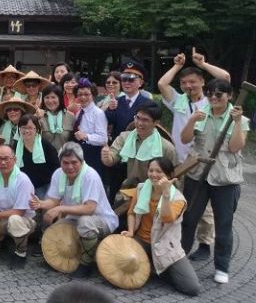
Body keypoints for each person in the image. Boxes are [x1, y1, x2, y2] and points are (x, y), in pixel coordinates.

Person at [158, 47, 228, 261]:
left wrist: (202, 65)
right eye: (184, 83)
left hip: (204, 160)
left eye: (193, 81)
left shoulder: (212, 100)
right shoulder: (179, 100)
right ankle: (180, 239)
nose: (189, 86)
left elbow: (225, 77)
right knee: (182, 200)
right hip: (181, 160)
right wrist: (177, 66)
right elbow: (162, 84)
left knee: (202, 204)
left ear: (202, 82)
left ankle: (205, 243)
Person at [180, 79, 248, 285]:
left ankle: (222, 267)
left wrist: (236, 123)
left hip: (225, 179)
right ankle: (179, 259)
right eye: (210, 93)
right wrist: (191, 121)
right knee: (189, 219)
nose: (213, 97)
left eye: (219, 94)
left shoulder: (240, 119)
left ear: (229, 95)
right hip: (197, 175)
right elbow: (184, 140)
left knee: (224, 224)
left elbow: (236, 147)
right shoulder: (200, 114)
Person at [30, 142, 119, 278]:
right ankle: (63, 259)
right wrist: (41, 204)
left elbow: (90, 208)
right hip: (74, 218)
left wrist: (60, 208)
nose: (70, 167)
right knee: (53, 232)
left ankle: (85, 264)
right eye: (65, 163)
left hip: (102, 219)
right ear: (60, 162)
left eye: (74, 162)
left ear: (81, 161)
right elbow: (53, 200)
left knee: (85, 223)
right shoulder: (58, 174)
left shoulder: (90, 175)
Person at [120, 157, 201, 296]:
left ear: (169, 175)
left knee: (192, 288)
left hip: (165, 247)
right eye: (151, 170)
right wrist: (131, 231)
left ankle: (157, 269)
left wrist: (166, 193)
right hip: (141, 241)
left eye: (159, 171)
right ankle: (153, 266)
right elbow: (132, 213)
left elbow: (167, 218)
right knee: (121, 262)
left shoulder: (178, 198)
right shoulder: (142, 188)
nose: (154, 174)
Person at [0, 145, 37, 269]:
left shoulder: (23, 180)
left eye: (6, 159)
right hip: (2, 217)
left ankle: (21, 253)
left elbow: (19, 212)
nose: (2, 162)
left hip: (24, 221)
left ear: (14, 160)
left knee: (14, 220)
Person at [102, 103, 177, 197]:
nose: (139, 123)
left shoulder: (167, 148)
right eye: (137, 118)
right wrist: (106, 157)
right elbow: (110, 160)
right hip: (127, 192)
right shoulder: (124, 137)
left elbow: (174, 178)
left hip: (155, 195)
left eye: (145, 120)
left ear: (156, 123)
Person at [71, 79, 109, 182]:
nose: (83, 97)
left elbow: (103, 138)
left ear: (93, 95)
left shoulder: (98, 113)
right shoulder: (79, 113)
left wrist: (86, 136)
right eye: (80, 94)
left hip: (93, 153)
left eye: (87, 94)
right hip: (80, 152)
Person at [16, 114, 59, 199]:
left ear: (36, 129)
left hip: (47, 184)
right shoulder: (16, 146)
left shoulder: (45, 144)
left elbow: (56, 166)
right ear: (19, 129)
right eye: (23, 127)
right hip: (26, 185)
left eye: (30, 128)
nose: (27, 131)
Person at [38, 84, 75, 151]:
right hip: (45, 158)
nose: (50, 101)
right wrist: (36, 119)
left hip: (65, 158)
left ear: (60, 98)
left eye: (53, 97)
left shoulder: (71, 117)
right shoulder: (39, 117)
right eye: (47, 97)